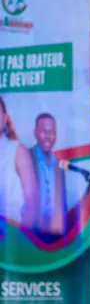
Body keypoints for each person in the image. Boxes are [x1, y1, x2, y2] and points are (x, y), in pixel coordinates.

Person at [0, 95, 39, 227]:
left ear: (5, 118)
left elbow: (32, 204)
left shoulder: (17, 150)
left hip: (9, 233)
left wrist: (19, 236)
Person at [29, 113, 68, 235]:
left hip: (54, 233)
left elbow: (62, 204)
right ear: (35, 133)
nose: (49, 137)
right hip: (29, 233)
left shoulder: (59, 165)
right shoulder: (25, 159)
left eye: (52, 132)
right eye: (44, 132)